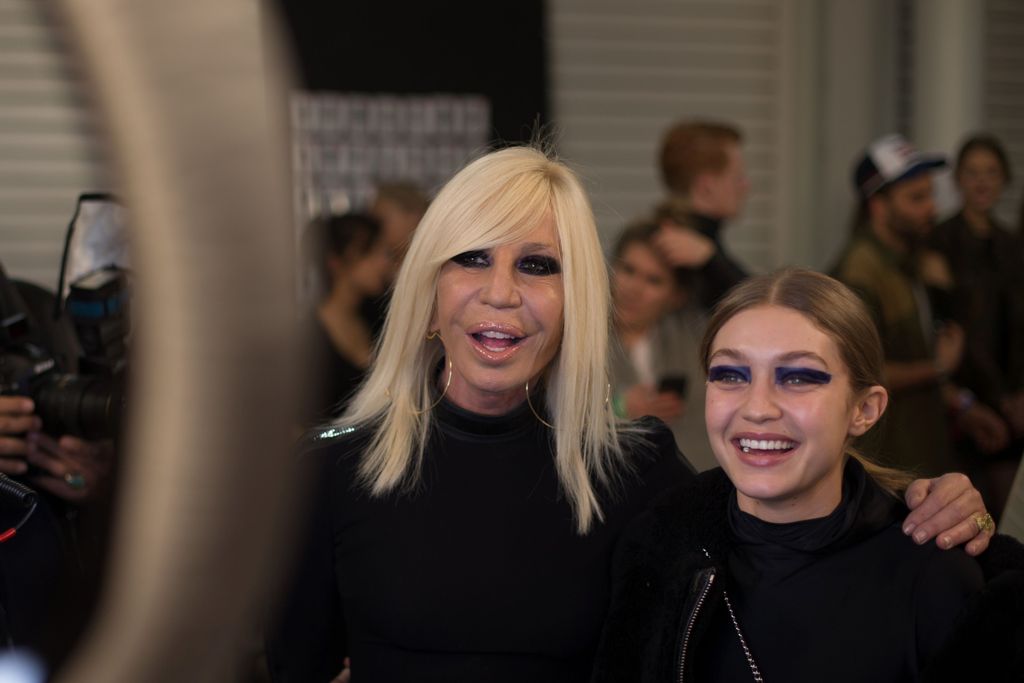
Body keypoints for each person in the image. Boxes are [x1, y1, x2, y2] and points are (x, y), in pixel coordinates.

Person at [266, 146, 994, 683]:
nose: (500, 292)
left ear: (575, 297)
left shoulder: (635, 468)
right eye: (470, 258)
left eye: (538, 265)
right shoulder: (331, 473)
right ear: (427, 288)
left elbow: (792, 530)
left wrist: (921, 508)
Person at [591, 269, 1024, 683]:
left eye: (797, 377)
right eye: (730, 375)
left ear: (864, 409)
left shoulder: (932, 574)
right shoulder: (660, 551)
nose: (757, 407)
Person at [831, 133, 1008, 476]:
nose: (932, 208)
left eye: (931, 195)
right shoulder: (860, 273)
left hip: (921, 458)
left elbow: (915, 355)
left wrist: (964, 406)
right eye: (917, 198)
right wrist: (937, 367)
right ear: (879, 207)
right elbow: (856, 373)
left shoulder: (908, 262)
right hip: (886, 472)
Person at [929, 134, 1024, 517]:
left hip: (1014, 397)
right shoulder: (940, 240)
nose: (982, 182)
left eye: (991, 173)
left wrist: (1017, 392)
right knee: (963, 510)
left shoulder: (1013, 243)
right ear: (958, 180)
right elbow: (949, 326)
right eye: (972, 173)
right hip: (961, 395)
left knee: (1005, 514)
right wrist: (993, 397)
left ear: (1004, 179)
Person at [609, 219, 715, 471]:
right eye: (628, 270)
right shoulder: (576, 333)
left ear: (677, 296)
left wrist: (711, 258)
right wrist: (617, 407)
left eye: (654, 280)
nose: (633, 289)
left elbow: (759, 305)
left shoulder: (695, 334)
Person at [300, 212, 392, 425]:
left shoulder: (378, 316)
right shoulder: (308, 337)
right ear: (336, 263)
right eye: (370, 253)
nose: (383, 263)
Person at [652, 120, 750, 310]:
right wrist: (711, 261)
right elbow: (754, 307)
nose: (746, 186)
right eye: (737, 177)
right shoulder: (680, 251)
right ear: (706, 186)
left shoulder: (701, 247)